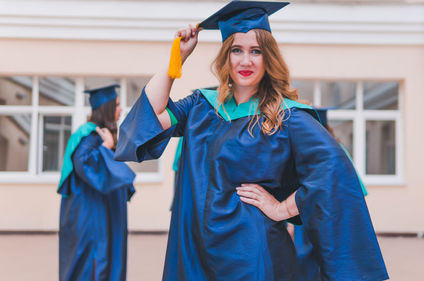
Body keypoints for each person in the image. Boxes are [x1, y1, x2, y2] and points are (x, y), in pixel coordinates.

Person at [115, 1, 388, 280]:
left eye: (256, 51)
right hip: (196, 251)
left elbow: (335, 171)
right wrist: (178, 58)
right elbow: (151, 116)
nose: (246, 61)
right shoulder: (201, 106)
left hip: (252, 254)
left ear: (268, 58)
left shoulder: (286, 116)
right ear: (226, 57)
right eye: (237, 50)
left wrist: (281, 208)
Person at [57, 84, 136, 281]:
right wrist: (107, 148)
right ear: (107, 108)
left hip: (101, 213)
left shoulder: (99, 134)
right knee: (92, 265)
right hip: (92, 216)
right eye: (117, 105)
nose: (120, 109)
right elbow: (86, 165)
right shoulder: (89, 137)